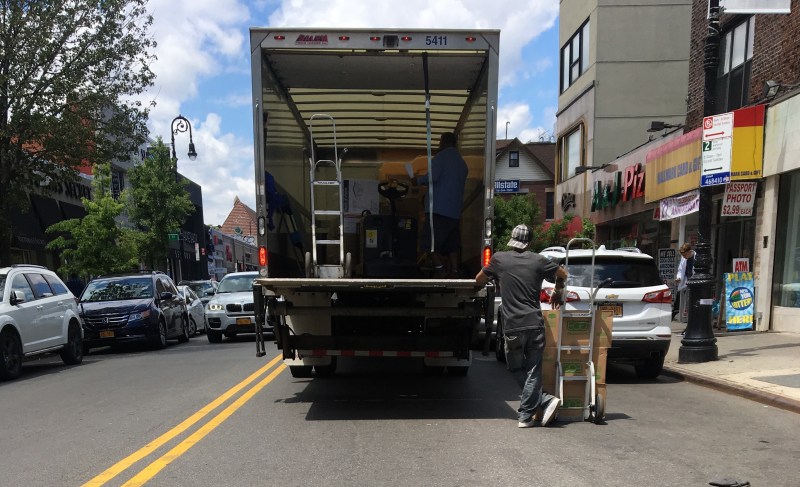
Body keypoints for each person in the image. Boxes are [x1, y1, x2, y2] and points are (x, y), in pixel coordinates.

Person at [475, 224, 569, 428]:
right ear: (530, 243)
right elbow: (563, 274)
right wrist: (558, 291)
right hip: (535, 324)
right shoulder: (539, 260)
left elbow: (478, 280)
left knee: (515, 367)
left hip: (512, 326)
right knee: (533, 368)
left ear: (512, 239)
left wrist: (490, 279)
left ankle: (527, 413)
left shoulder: (499, 259)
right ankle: (543, 400)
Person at [415, 132, 468, 278]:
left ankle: (440, 271)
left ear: (444, 142)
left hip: (438, 210)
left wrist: (418, 180)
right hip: (454, 213)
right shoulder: (462, 163)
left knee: (430, 244)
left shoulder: (441, 157)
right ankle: (455, 272)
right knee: (452, 245)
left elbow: (433, 177)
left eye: (440, 142)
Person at [673, 243, 695, 321]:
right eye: (683, 255)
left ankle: (690, 319)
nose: (684, 257)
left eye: (685, 255)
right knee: (686, 302)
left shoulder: (697, 257)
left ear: (689, 252)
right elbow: (680, 270)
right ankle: (686, 319)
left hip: (695, 282)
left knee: (692, 303)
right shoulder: (684, 259)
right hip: (687, 282)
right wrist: (678, 278)